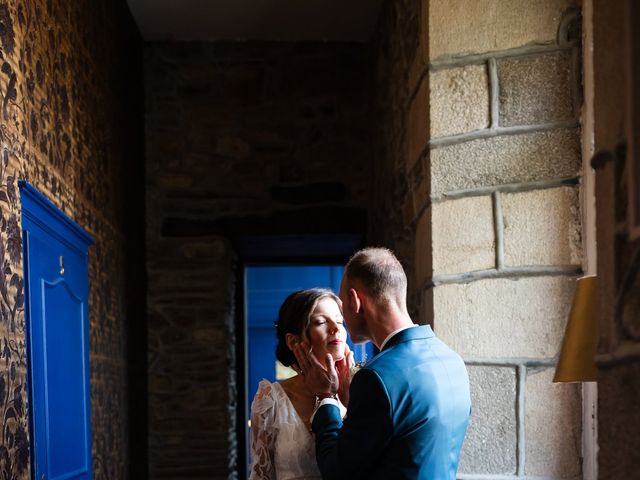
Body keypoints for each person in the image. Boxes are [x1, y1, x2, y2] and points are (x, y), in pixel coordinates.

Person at [293, 247, 471, 480]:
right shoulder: (452, 360)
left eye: (342, 308)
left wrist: (326, 397)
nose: (341, 321)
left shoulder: (376, 377)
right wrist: (352, 403)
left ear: (355, 301)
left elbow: (338, 471)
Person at [248, 288, 352, 480]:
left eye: (339, 321)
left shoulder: (360, 391)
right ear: (293, 341)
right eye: (321, 322)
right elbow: (261, 475)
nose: (336, 328)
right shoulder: (271, 400)